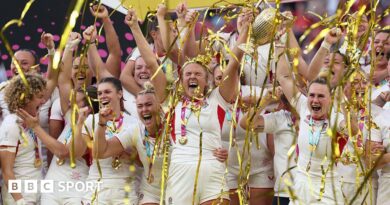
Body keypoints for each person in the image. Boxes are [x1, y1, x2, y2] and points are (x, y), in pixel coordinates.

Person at [276, 52, 358, 204]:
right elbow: (283, 77)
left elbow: (352, 130)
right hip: (300, 188)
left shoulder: (336, 117)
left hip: (325, 192)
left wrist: (344, 104)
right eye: (312, 95)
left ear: (330, 99)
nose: (315, 100)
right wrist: (279, 44)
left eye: (321, 96)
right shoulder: (303, 107)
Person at [75, 77, 140, 205]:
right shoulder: (90, 120)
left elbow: (142, 162)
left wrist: (130, 155)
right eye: (99, 93)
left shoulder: (134, 123)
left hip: (125, 189)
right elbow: (78, 153)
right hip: (97, 188)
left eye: (107, 92)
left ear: (119, 93)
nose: (103, 96)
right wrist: (79, 123)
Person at [0, 71, 58, 204]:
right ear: (25, 97)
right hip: (20, 196)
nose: (43, 101)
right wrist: (19, 200)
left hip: (36, 193)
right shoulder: (11, 124)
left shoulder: (30, 123)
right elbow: (6, 170)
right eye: (39, 97)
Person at [240, 91, 299, 205]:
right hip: (283, 194)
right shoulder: (281, 118)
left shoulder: (320, 118)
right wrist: (265, 100)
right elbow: (246, 124)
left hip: (311, 194)